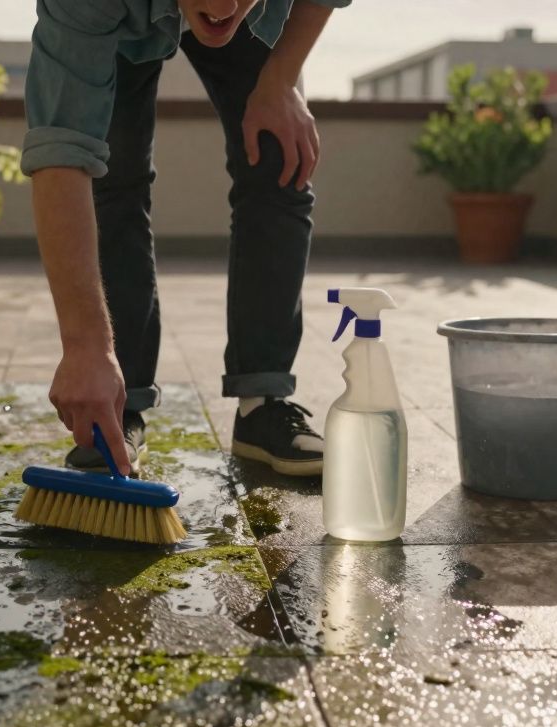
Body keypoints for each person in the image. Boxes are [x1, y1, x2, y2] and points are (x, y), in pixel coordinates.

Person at [22, 0, 348, 477]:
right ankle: (121, 401)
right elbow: (62, 151)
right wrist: (84, 345)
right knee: (113, 174)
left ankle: (263, 402)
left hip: (255, 27)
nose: (221, 6)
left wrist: (280, 80)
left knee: (281, 155)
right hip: (119, 19)